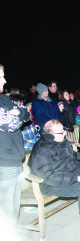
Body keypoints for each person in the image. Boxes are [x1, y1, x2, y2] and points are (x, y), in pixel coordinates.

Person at [0, 64, 31, 223]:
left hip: (14, 158)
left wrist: (18, 112)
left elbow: (27, 114)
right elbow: (9, 124)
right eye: (0, 76)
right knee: (6, 207)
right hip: (4, 159)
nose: (4, 80)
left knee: (14, 204)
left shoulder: (4, 98)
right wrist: (18, 115)